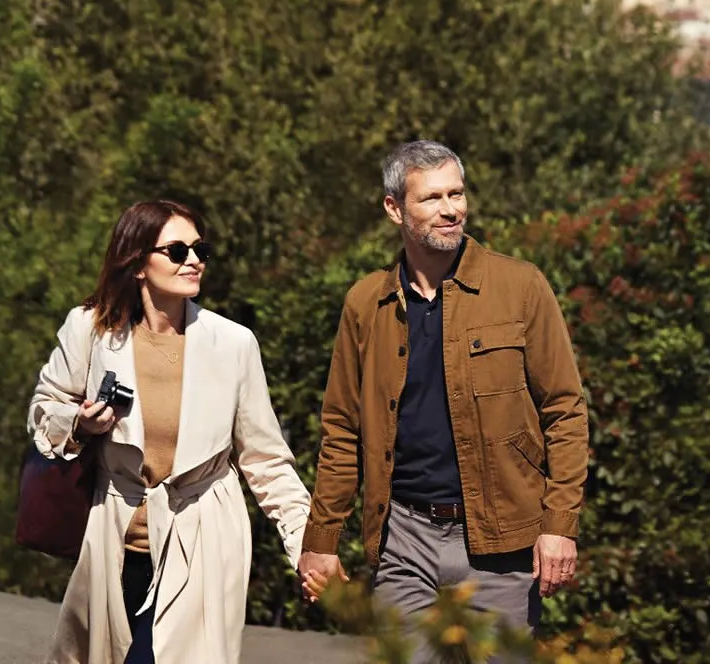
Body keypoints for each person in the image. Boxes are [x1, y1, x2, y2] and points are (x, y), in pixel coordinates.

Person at [297, 141, 587, 657]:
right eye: (431, 198)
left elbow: (565, 411)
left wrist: (559, 526)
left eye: (457, 193)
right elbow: (341, 428)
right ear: (394, 209)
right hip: (402, 541)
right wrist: (321, 541)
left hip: (502, 549)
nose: (450, 209)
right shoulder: (366, 303)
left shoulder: (520, 286)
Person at [29, 200, 311, 664]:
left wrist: (304, 544)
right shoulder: (91, 329)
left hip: (202, 541)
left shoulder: (234, 343)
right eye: (177, 250)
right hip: (116, 540)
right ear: (138, 263)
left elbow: (265, 459)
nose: (194, 260)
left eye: (199, 249)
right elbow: (45, 410)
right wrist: (79, 423)